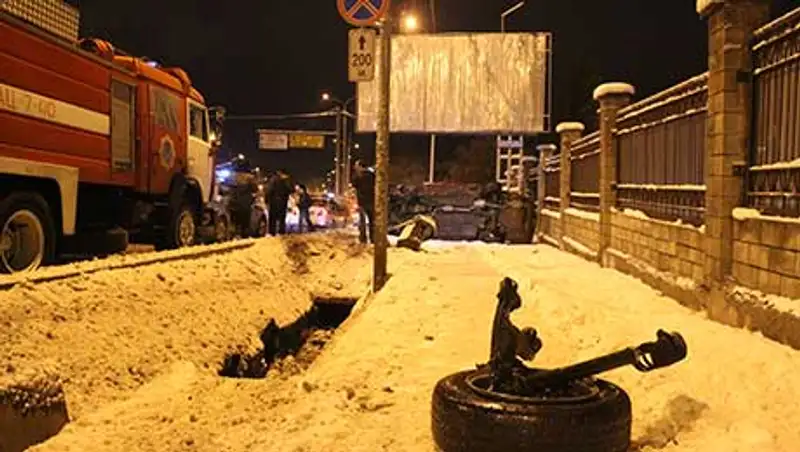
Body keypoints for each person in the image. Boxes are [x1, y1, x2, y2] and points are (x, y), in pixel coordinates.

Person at [351, 160, 375, 244]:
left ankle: (363, 239)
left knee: (362, 221)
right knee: (372, 221)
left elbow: (354, 184)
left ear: (361, 166)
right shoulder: (372, 175)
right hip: (372, 201)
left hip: (362, 202)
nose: (355, 167)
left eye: (356, 166)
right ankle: (373, 239)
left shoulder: (358, 176)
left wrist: (356, 173)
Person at [266, 169, 292, 235]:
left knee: (273, 218)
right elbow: (290, 189)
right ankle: (281, 232)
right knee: (281, 217)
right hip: (282, 201)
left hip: (274, 201)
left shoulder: (273, 179)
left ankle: (272, 232)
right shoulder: (286, 181)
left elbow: (269, 190)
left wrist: (267, 200)